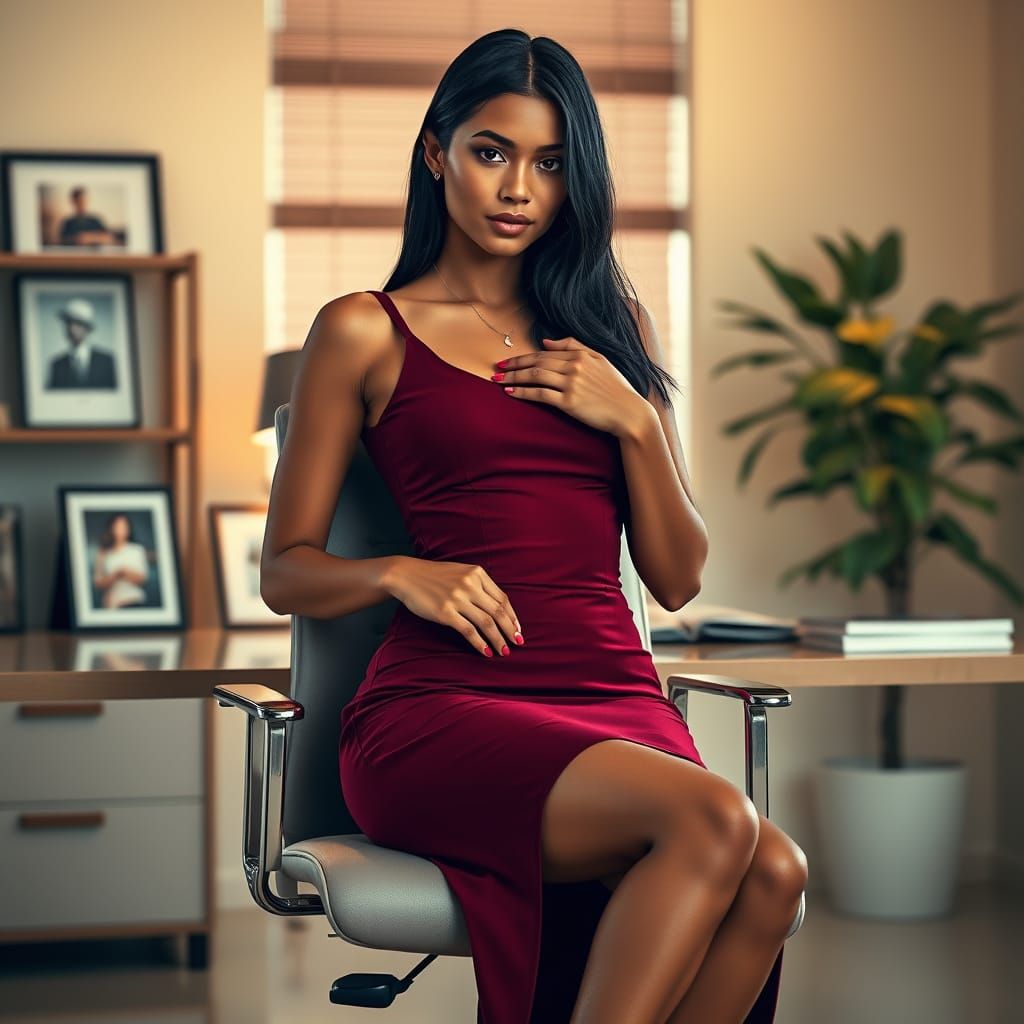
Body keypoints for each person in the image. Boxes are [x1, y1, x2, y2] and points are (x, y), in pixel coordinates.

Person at [260, 28, 807, 1024]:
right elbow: (285, 572)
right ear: (438, 153)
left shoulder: (613, 328)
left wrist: (635, 421)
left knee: (773, 868)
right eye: (491, 151)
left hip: (611, 692)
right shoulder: (362, 328)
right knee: (718, 822)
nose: (519, 187)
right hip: (442, 708)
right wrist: (396, 574)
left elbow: (676, 578)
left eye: (550, 163)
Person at [47, 298, 117, 390]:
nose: (71, 328)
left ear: (88, 328)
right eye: (68, 323)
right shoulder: (57, 365)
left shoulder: (106, 361)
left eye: (78, 323)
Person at [92, 512, 150, 609]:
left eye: (124, 526)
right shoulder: (103, 553)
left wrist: (124, 572)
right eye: (118, 526)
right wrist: (116, 575)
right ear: (111, 528)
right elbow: (98, 582)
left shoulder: (136, 550)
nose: (122, 529)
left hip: (133, 601)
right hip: (112, 604)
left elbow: (142, 579)